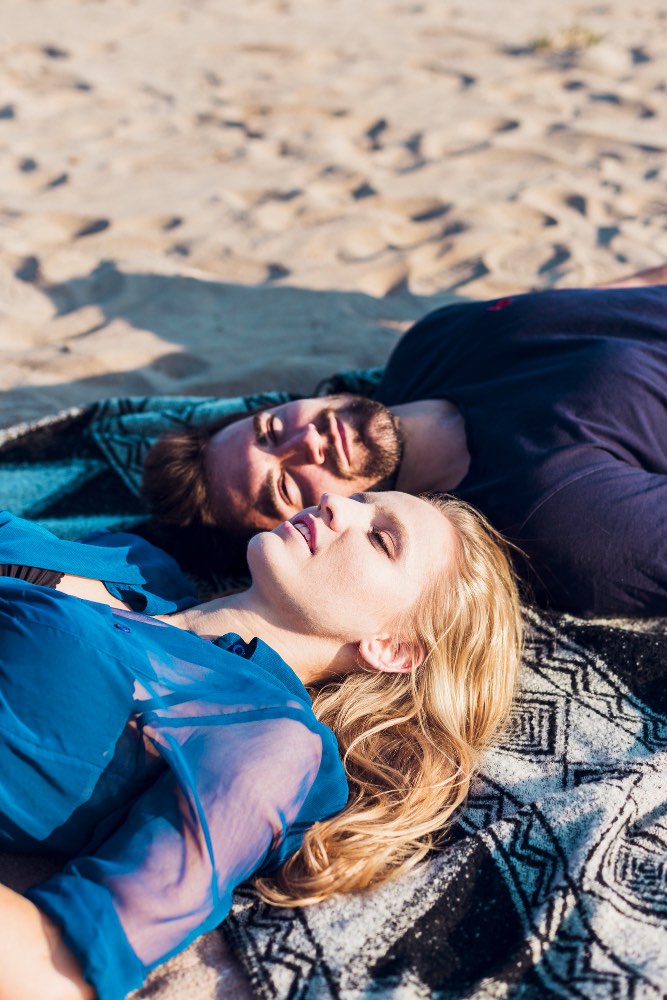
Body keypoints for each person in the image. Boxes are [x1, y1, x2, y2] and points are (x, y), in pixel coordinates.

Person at [0, 490, 522, 1000]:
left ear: (391, 647)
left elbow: (55, 970)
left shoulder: (271, 739)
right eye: (361, 498)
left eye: (381, 539)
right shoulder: (137, 562)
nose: (335, 502)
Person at [143, 280, 667, 617]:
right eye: (286, 483)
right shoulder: (557, 519)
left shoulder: (430, 343)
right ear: (313, 522)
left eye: (271, 430)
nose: (307, 442)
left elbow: (621, 297)